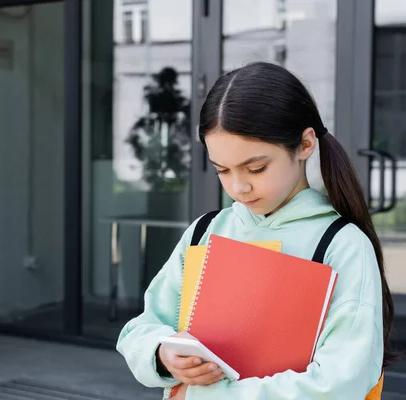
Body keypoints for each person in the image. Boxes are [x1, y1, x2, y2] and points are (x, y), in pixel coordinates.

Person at [116, 61, 397, 400]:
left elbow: (342, 380)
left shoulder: (343, 245)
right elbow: (143, 326)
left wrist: (210, 395)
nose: (239, 187)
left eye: (256, 168)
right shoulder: (205, 231)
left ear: (305, 144)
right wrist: (163, 355)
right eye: (222, 170)